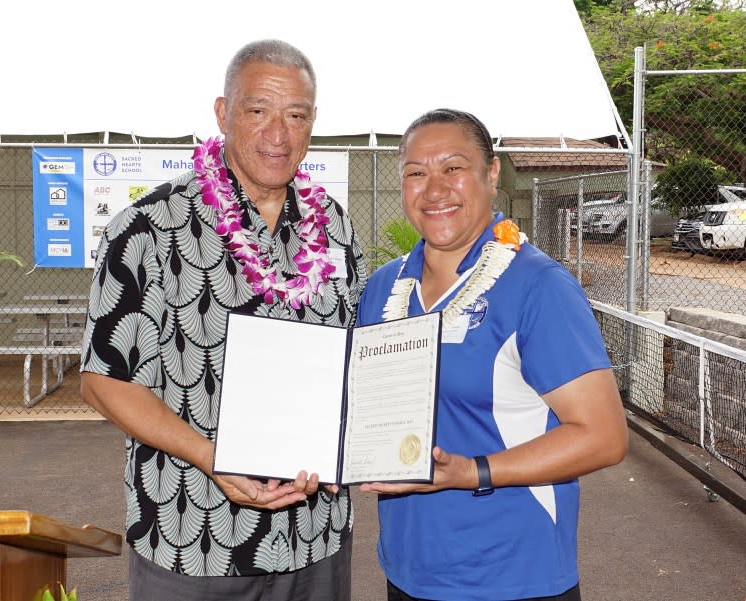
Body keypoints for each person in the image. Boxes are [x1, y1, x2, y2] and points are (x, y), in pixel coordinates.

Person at [80, 39, 367, 601]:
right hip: (192, 542)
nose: (277, 133)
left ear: (313, 122)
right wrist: (212, 458)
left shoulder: (335, 226)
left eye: (296, 114)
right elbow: (102, 381)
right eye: (258, 110)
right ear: (222, 112)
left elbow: (353, 361)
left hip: (316, 537)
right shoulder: (148, 228)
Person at [356, 108, 629, 601]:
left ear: (491, 173)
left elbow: (604, 437)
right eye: (416, 173)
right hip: (409, 569)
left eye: (453, 168)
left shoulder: (538, 286)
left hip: (512, 576)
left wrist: (471, 472)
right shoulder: (384, 287)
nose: (434, 189)